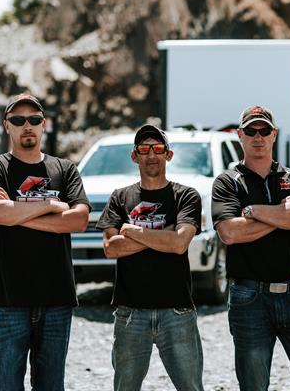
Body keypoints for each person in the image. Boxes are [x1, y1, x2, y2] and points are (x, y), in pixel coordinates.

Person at [211, 106, 290, 391]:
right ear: (240, 135)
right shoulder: (227, 182)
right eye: (251, 131)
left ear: (274, 134)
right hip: (249, 298)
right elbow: (229, 233)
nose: (258, 137)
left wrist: (253, 211)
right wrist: (283, 217)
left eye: (264, 130)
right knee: (254, 386)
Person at [0, 93, 90, 390]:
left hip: (56, 298)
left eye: (34, 119)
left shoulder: (65, 169)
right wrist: (51, 205)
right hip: (7, 300)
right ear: (7, 126)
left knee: (52, 386)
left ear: (43, 124)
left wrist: (15, 213)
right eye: (18, 120)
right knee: (7, 386)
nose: (26, 125)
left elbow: (79, 220)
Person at [97, 124, 204, 391]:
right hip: (130, 313)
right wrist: (163, 234)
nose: (151, 155)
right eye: (144, 149)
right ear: (135, 156)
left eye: (157, 148)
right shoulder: (120, 197)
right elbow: (111, 248)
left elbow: (179, 244)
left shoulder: (185, 196)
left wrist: (132, 231)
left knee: (191, 387)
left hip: (177, 310)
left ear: (168, 154)